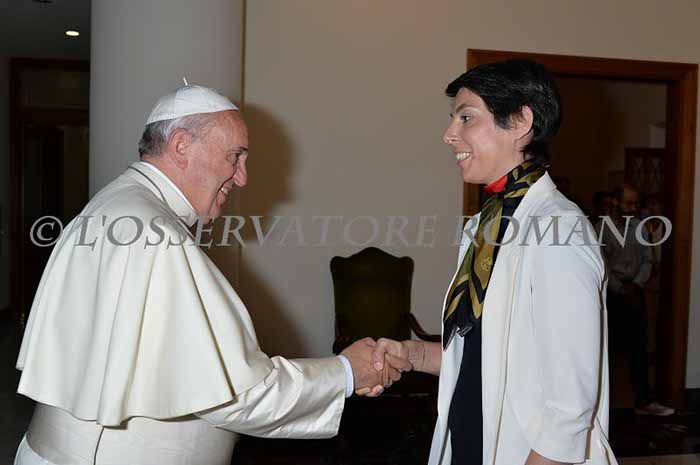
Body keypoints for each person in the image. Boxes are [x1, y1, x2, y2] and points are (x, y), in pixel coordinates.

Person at [14, 85, 408, 465]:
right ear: (182, 146)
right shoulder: (158, 235)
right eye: (235, 156)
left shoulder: (117, 203)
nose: (242, 177)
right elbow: (238, 395)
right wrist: (346, 372)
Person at [366, 60, 617, 465]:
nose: (449, 134)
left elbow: (569, 406)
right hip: (474, 441)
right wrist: (411, 354)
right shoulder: (485, 224)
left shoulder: (558, 228)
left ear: (520, 122)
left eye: (466, 117)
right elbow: (487, 356)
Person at [601, 185, 674, 416]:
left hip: (635, 292)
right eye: (628, 203)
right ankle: (601, 406)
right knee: (607, 351)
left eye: (635, 203)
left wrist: (637, 284)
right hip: (611, 294)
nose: (633, 208)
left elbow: (647, 259)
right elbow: (600, 263)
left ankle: (644, 402)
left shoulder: (640, 228)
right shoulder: (600, 228)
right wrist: (617, 287)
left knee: (639, 349)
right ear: (615, 202)